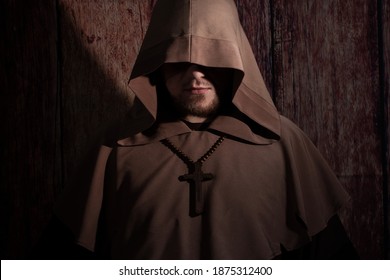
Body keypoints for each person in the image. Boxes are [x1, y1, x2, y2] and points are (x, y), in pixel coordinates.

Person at [35, 0, 358, 259]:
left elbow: (332, 261)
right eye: (179, 62)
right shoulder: (113, 149)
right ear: (157, 68)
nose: (195, 76)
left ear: (235, 63)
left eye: (211, 60)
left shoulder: (282, 143)